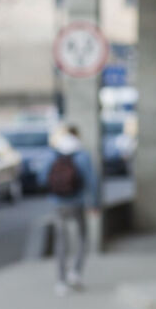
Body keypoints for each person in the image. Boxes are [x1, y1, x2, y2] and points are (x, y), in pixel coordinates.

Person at [40, 124, 99, 296]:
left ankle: (61, 281)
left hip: (57, 204)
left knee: (61, 242)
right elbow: (92, 181)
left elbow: (43, 178)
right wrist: (94, 204)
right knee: (82, 237)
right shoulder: (82, 155)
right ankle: (75, 272)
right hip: (77, 203)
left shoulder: (53, 153)